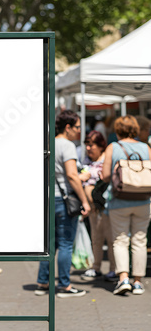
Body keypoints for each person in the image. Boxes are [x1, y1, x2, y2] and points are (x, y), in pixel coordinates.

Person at [35, 110, 90, 298]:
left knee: (50, 244)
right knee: (66, 243)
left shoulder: (48, 143)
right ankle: (65, 285)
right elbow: (72, 175)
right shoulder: (67, 146)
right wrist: (84, 200)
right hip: (64, 199)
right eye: (77, 127)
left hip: (48, 197)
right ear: (68, 127)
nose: (79, 131)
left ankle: (43, 281)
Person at [102, 115, 151, 295]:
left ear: (118, 130)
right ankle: (138, 281)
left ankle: (123, 278)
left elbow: (106, 175)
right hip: (143, 199)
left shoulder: (113, 148)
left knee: (120, 240)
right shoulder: (145, 147)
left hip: (119, 201)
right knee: (139, 240)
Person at [79, 131, 117, 282]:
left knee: (111, 238)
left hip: (106, 206)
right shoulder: (86, 161)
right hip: (93, 208)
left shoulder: (106, 161)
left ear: (101, 146)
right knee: (96, 238)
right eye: (87, 145)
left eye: (91, 145)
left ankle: (114, 269)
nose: (88, 148)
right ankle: (96, 266)